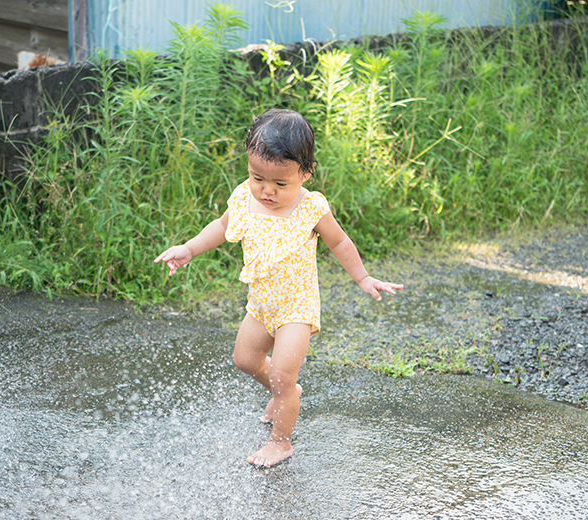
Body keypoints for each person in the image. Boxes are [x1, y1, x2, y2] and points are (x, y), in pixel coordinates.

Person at [154, 108, 403, 468]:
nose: (267, 190)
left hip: (296, 309)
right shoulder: (244, 197)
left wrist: (363, 277)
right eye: (258, 178)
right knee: (245, 360)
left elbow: (341, 243)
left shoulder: (310, 207)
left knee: (284, 377)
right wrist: (189, 248)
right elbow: (221, 227)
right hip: (261, 304)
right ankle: (284, 392)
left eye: (280, 183)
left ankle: (281, 441)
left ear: (306, 173)